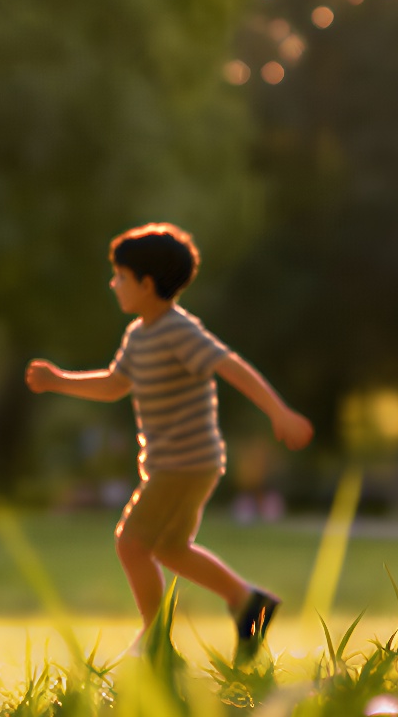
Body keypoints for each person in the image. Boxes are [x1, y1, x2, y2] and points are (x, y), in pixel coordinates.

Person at [26, 223, 315, 659]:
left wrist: (278, 411)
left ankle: (156, 639)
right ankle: (247, 601)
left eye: (120, 276)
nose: (113, 284)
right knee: (169, 548)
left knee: (131, 542)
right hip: (178, 463)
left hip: (185, 461)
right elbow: (113, 384)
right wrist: (59, 380)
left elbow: (229, 366)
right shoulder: (139, 336)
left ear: (146, 284)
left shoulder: (179, 331)